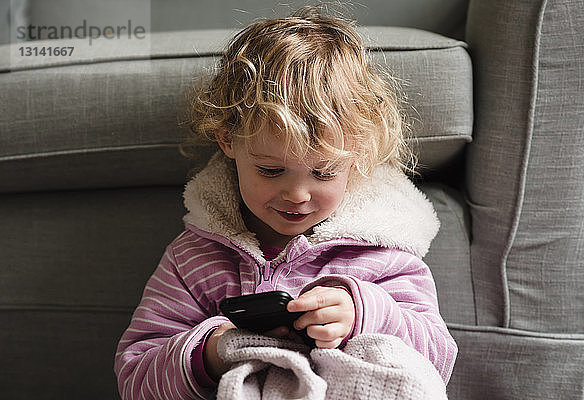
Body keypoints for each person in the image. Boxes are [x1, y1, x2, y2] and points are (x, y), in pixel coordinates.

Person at [114, 6, 457, 399]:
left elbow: (438, 361)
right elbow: (135, 377)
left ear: (358, 151)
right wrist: (212, 350)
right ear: (228, 140)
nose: (297, 195)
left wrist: (365, 312)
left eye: (324, 173)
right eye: (271, 171)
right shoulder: (194, 259)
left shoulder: (384, 256)